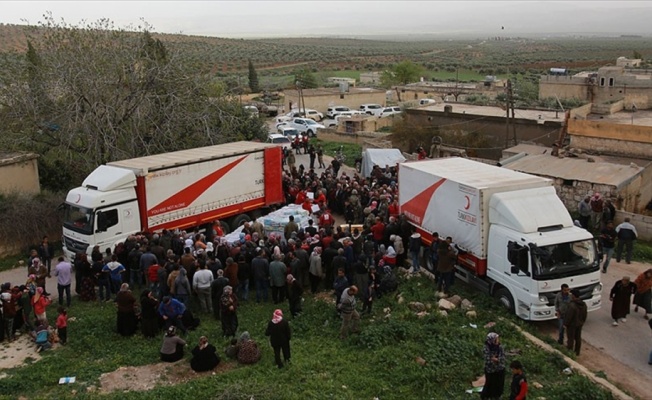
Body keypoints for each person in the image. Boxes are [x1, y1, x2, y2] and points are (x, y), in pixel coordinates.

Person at [480, 332, 505, 400]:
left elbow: (502, 357)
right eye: (496, 339)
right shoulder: (486, 348)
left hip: (500, 369)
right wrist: (494, 360)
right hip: (490, 370)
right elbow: (488, 360)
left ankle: (497, 396)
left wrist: (497, 360)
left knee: (499, 384)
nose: (498, 340)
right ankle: (487, 396)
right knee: (490, 384)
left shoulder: (500, 347)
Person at [564, 289, 587, 355]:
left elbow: (569, 316)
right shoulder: (583, 304)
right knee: (578, 338)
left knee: (570, 338)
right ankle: (577, 352)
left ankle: (569, 352)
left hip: (572, 325)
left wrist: (565, 324)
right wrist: (582, 322)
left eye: (571, 294)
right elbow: (585, 314)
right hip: (579, 324)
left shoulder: (572, 305)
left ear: (573, 296)